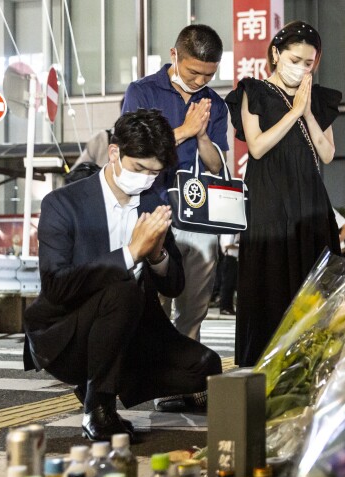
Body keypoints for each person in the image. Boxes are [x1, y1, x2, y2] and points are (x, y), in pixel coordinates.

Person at [22, 110, 222, 441]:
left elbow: (174, 286)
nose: (145, 178)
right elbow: (56, 286)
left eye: (155, 173)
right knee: (122, 287)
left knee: (204, 366)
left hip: (131, 329)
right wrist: (131, 252)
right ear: (115, 153)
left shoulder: (151, 202)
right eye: (139, 168)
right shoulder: (63, 203)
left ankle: (104, 379)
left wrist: (157, 254)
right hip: (69, 331)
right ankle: (98, 407)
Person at [226, 21, 342, 367]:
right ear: (275, 54)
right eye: (295, 59)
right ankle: (263, 370)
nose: (302, 68)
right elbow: (257, 147)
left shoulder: (316, 98)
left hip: (309, 203)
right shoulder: (254, 91)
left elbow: (327, 153)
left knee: (313, 283)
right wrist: (293, 113)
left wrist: (306, 112)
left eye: (308, 63)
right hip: (269, 203)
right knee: (270, 281)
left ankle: (313, 368)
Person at [122, 24, 229, 344]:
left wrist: (203, 135)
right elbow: (133, 149)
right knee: (154, 300)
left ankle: (185, 379)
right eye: (193, 72)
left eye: (208, 76)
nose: (199, 81)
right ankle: (155, 380)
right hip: (149, 205)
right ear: (174, 55)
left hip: (198, 210)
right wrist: (184, 130)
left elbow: (216, 165)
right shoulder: (142, 91)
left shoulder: (215, 104)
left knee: (194, 303)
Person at [218, 233, 239, 315]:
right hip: (229, 259)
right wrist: (238, 246)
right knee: (227, 285)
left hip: (234, 259)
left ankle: (229, 308)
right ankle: (224, 307)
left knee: (231, 286)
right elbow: (227, 245)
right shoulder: (228, 233)